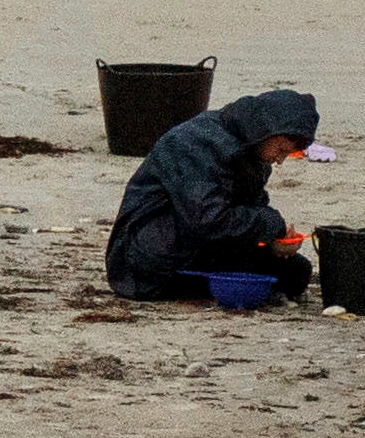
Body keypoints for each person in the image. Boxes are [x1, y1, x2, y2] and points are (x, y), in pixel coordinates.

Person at [104, 85, 321, 303]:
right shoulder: (196, 142)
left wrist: (273, 240)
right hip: (147, 256)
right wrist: (270, 225)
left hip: (199, 240)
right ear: (268, 130)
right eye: (281, 150)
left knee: (296, 272)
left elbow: (250, 207)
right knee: (263, 275)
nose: (280, 159)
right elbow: (207, 221)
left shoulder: (253, 149)